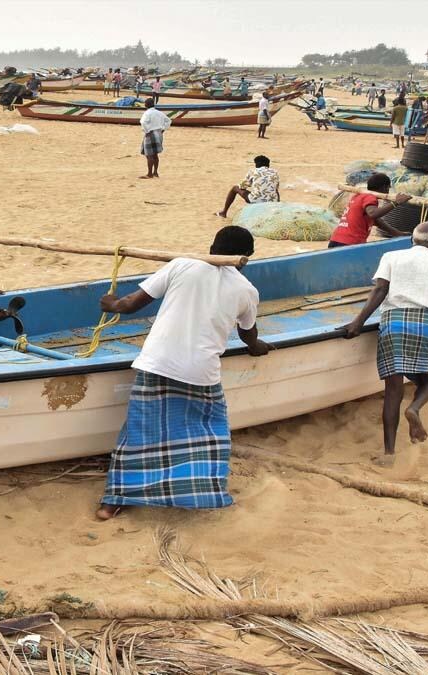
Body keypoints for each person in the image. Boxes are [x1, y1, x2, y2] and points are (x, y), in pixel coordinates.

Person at [94, 226, 270, 519]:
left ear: (211, 247)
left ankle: (113, 502)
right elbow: (248, 333)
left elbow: (129, 305)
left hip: (157, 361)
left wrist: (109, 303)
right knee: (207, 435)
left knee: (140, 432)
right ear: (247, 256)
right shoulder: (247, 291)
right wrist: (257, 347)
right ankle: (199, 493)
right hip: (201, 372)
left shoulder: (182, 264)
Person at [344, 221, 428, 466]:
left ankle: (389, 454)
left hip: (394, 322)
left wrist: (357, 323)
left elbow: (380, 290)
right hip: (427, 323)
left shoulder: (391, 256)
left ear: (412, 240)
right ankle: (415, 408)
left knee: (392, 392)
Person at [329, 173, 410, 247]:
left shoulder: (358, 196)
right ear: (384, 187)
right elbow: (372, 213)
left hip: (336, 240)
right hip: (349, 243)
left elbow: (377, 221)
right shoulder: (370, 197)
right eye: (388, 188)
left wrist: (398, 233)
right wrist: (396, 203)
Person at [139, 99, 170, 179]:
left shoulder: (147, 113)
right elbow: (168, 121)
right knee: (155, 154)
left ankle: (149, 174)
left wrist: (147, 131)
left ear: (146, 105)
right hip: (159, 133)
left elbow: (143, 122)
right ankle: (155, 172)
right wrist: (163, 129)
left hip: (150, 133)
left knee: (149, 154)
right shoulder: (159, 113)